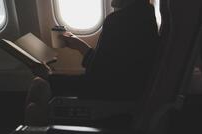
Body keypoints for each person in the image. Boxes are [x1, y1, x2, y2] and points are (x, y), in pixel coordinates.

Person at [25, 0, 159, 125]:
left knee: (37, 94)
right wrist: (81, 46)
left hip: (109, 107)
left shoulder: (119, 21)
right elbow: (107, 69)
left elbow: (96, 83)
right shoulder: (144, 15)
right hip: (118, 97)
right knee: (40, 85)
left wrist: (50, 76)